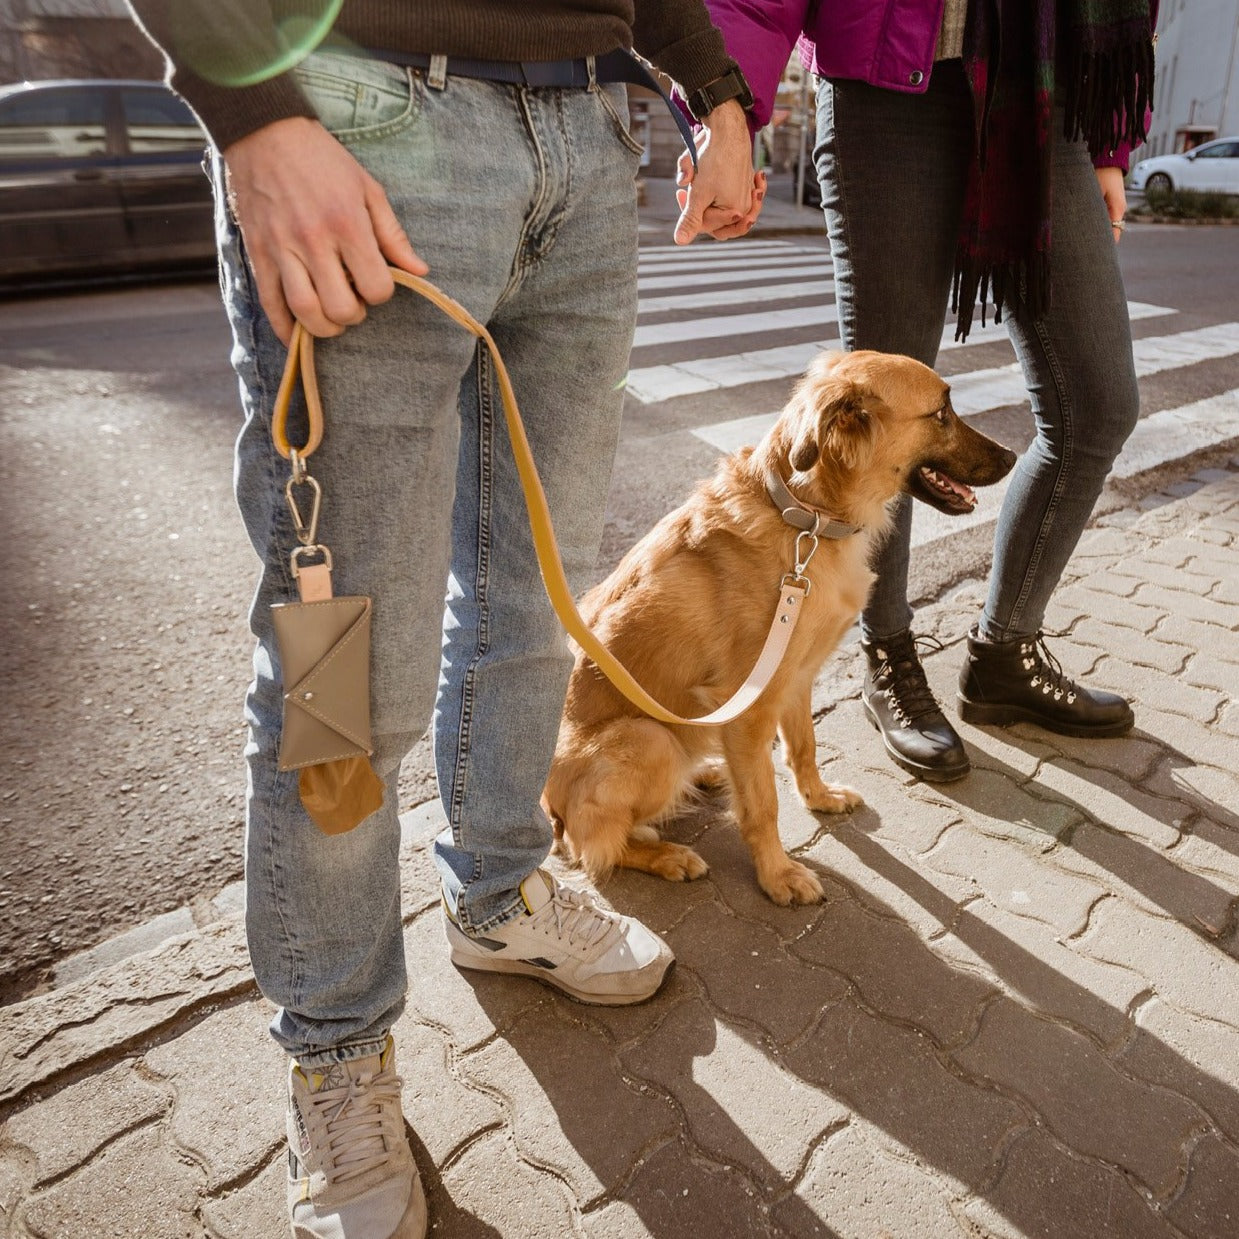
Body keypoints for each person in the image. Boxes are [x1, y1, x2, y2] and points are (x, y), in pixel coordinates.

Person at [125, 3, 761, 1236]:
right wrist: (252, 107)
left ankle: (499, 895)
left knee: (538, 600)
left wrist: (716, 92)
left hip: (588, 137)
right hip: (364, 113)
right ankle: (336, 1045)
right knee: (340, 658)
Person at [700, 0, 1157, 781]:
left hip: (1041, 101)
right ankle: (888, 653)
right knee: (879, 424)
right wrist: (727, 111)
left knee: (1097, 403)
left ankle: (1004, 653)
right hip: (887, 93)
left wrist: (1109, 143)